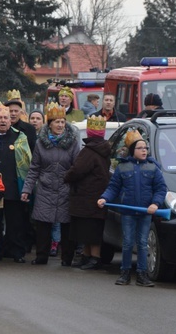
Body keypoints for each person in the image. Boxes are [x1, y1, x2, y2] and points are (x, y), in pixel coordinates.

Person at [99, 130, 167, 287]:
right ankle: (125, 273)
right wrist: (104, 198)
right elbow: (113, 187)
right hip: (128, 212)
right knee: (128, 242)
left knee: (143, 243)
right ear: (132, 150)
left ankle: (142, 275)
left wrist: (155, 204)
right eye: (140, 148)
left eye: (145, 148)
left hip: (145, 213)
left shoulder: (153, 168)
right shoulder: (123, 168)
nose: (144, 150)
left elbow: (161, 188)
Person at [22, 102, 81, 266]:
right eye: (57, 122)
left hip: (65, 188)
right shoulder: (41, 143)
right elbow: (34, 168)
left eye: (62, 122)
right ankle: (41, 256)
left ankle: (67, 258)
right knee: (43, 225)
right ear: (50, 124)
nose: (60, 125)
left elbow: (77, 167)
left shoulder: (73, 143)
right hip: (45, 189)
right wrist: (27, 189)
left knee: (67, 225)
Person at [0, 105, 32, 262]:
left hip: (13, 187)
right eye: (0, 118)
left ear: (11, 120)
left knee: (15, 222)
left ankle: (16, 251)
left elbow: (26, 162)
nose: (3, 121)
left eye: (6, 118)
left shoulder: (20, 137)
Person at [64, 115, 111, 270]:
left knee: (90, 230)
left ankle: (94, 258)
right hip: (95, 195)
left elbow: (77, 170)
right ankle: (86, 256)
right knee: (88, 229)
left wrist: (67, 177)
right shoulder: (103, 150)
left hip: (87, 196)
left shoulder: (89, 152)